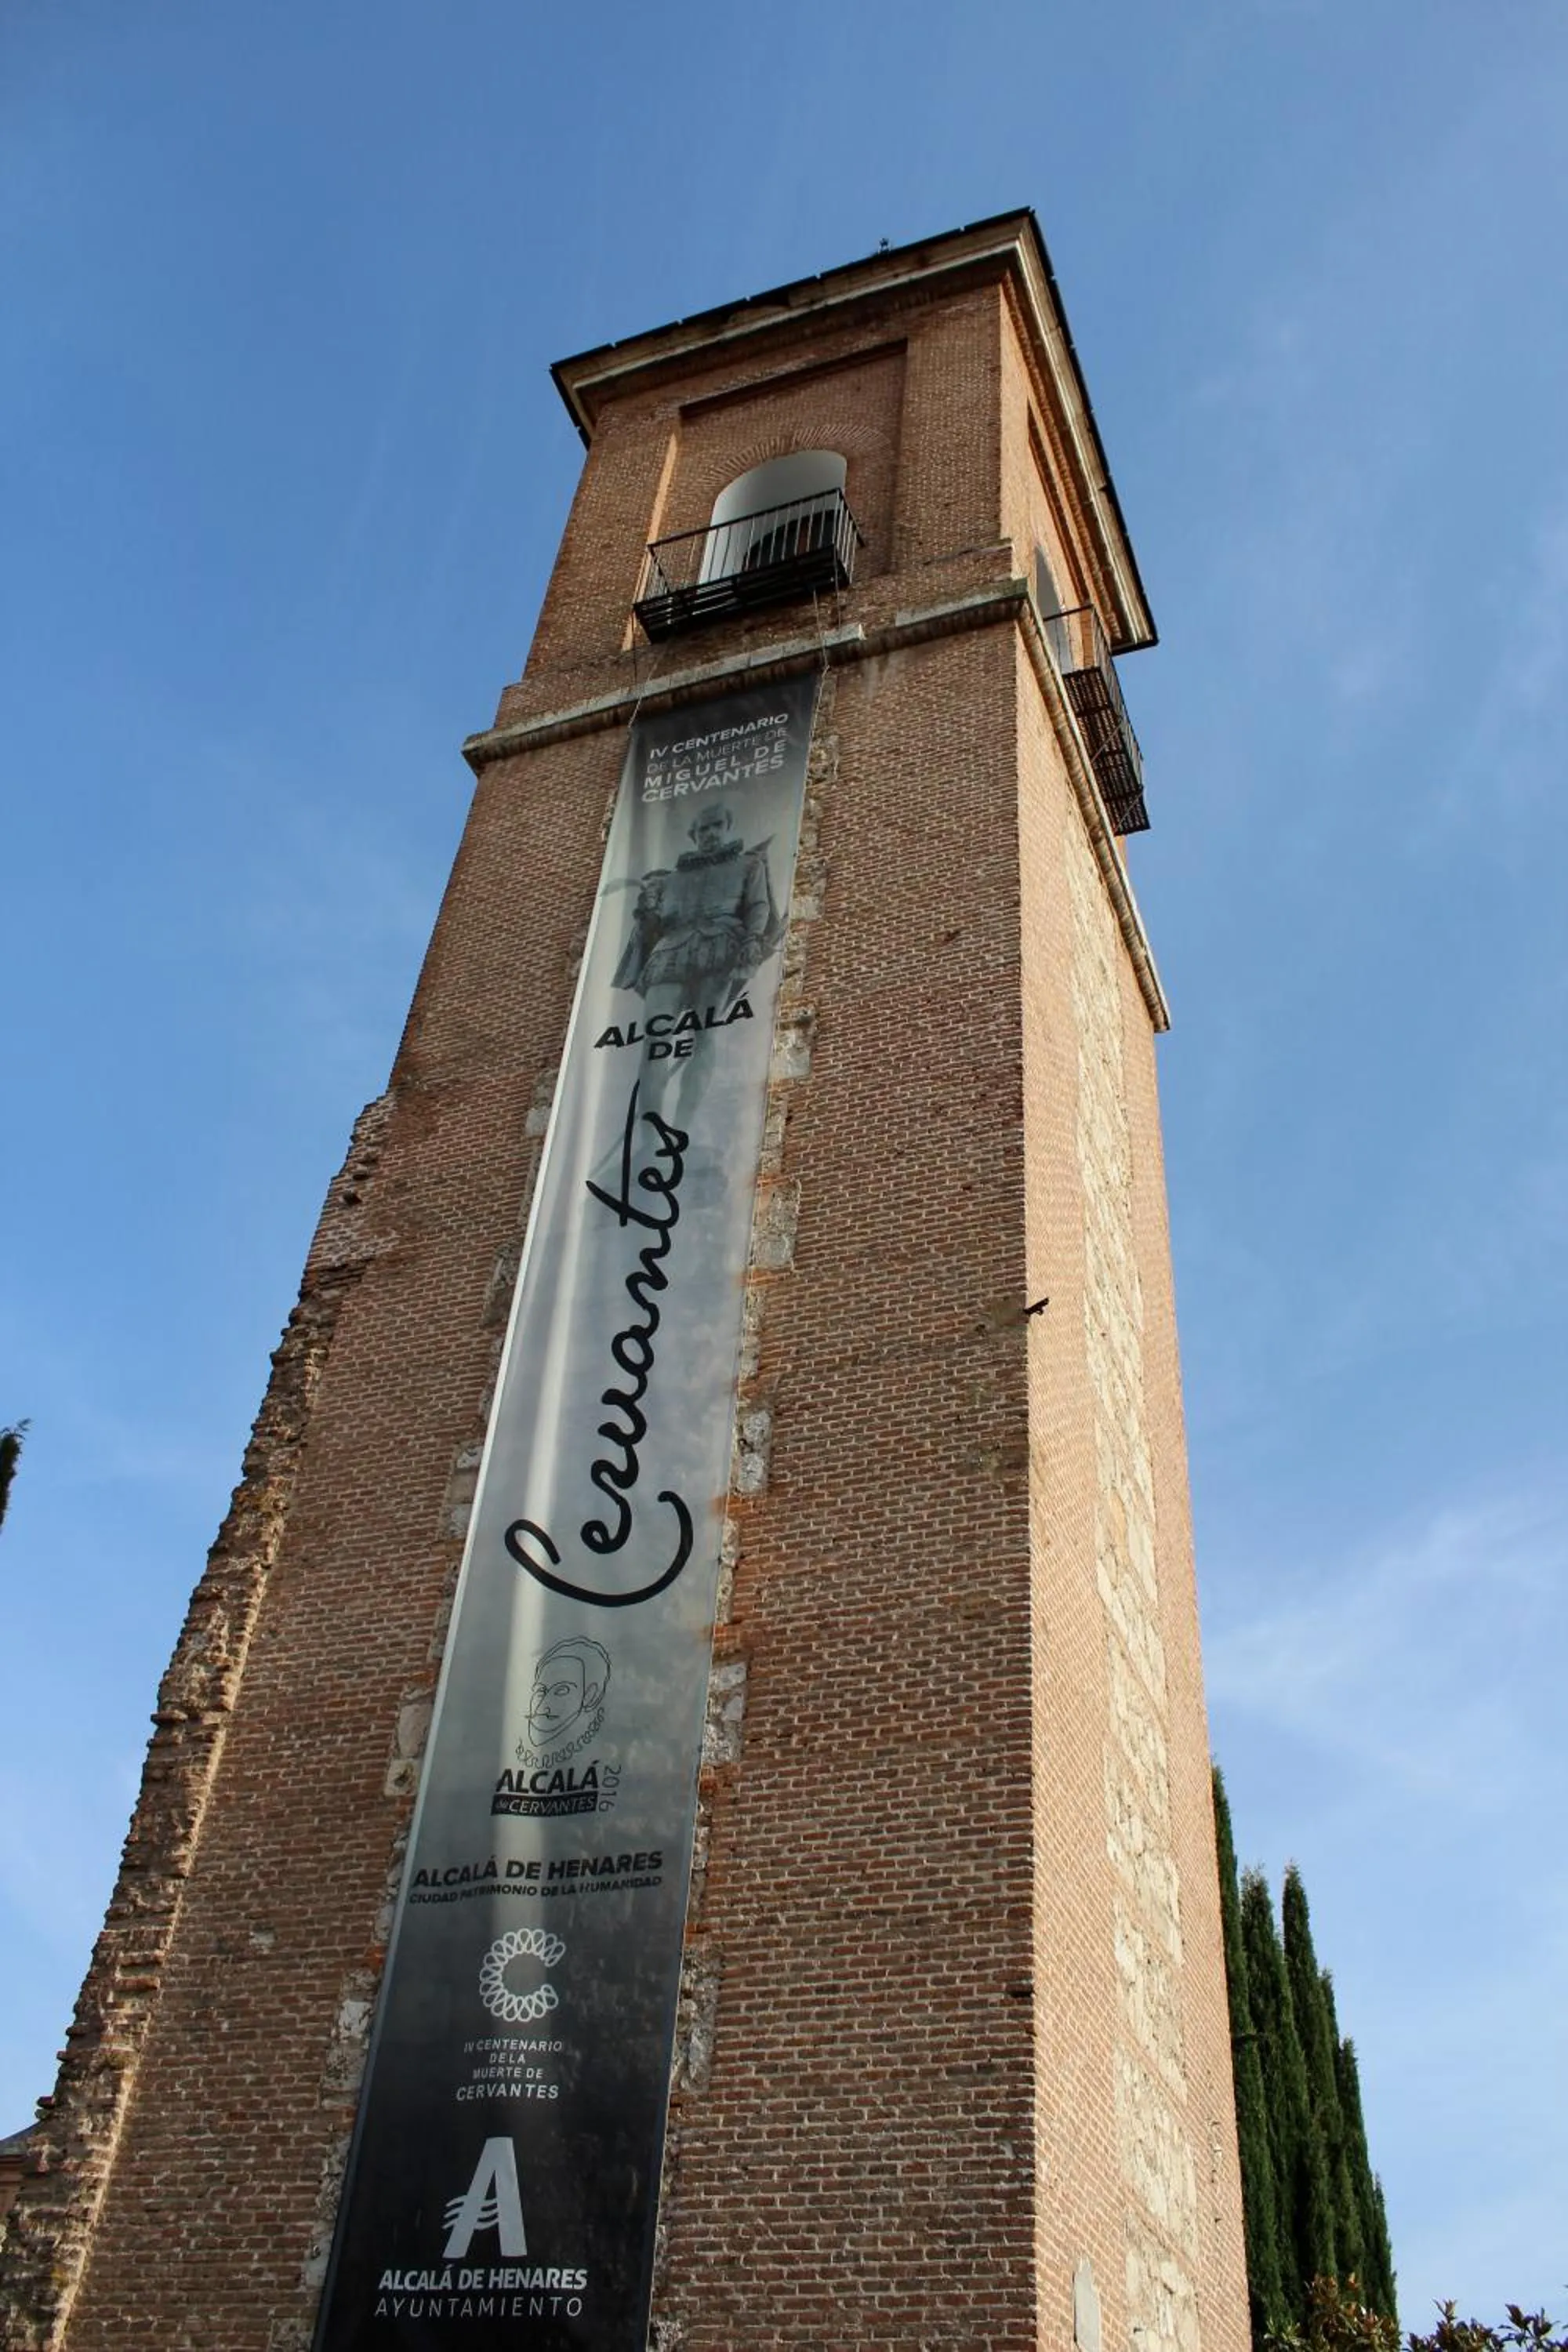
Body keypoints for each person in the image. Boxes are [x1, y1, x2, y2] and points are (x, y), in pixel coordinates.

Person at [612, 799, 780, 1131]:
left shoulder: (749, 865)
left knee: (704, 1037)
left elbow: (758, 907)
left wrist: (752, 940)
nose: (711, 834)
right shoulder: (667, 880)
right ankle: (649, 1132)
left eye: (717, 826)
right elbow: (653, 929)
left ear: (727, 827)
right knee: (655, 1041)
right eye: (703, 829)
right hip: (670, 952)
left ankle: (683, 1127)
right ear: (694, 835)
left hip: (720, 946)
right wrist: (646, 912)